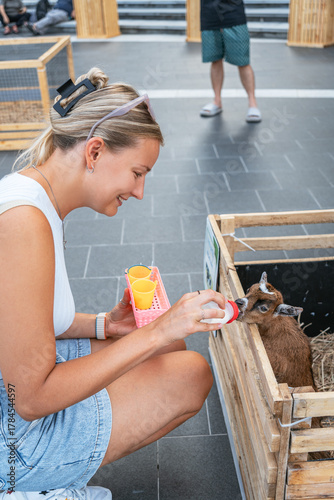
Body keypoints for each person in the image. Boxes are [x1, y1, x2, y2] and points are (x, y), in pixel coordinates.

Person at [0, 67, 228, 500]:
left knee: (169, 351)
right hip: (12, 442)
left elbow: (21, 320)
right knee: (189, 372)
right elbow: (30, 398)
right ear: (95, 151)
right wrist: (160, 328)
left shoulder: (28, 195)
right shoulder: (24, 224)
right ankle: (37, 484)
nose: (139, 191)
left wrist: (108, 325)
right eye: (138, 172)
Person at [200, 0, 261, 122]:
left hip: (233, 12)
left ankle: (253, 104)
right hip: (209, 13)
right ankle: (217, 101)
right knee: (215, 60)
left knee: (243, 61)